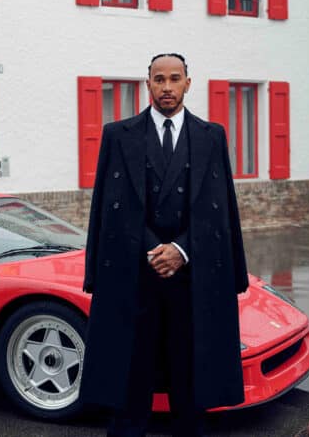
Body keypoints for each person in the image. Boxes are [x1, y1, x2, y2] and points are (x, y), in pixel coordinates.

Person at [80, 53, 249, 437]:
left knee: (190, 381)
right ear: (148, 84)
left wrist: (182, 250)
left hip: (193, 280)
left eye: (175, 79)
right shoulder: (117, 134)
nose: (167, 87)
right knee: (130, 380)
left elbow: (219, 209)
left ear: (189, 83)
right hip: (133, 278)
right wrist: (155, 250)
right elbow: (107, 208)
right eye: (159, 79)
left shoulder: (212, 136)